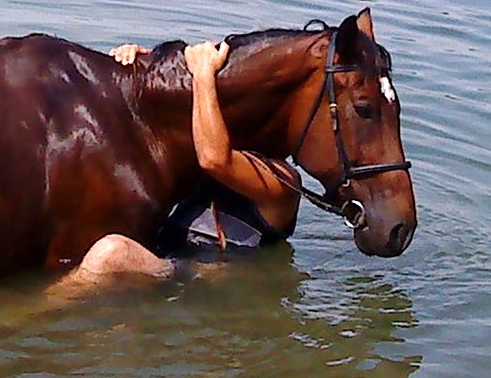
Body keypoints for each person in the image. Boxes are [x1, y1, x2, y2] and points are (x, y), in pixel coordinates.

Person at [49, 40, 302, 298]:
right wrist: (139, 68)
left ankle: (35, 314)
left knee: (112, 253)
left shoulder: (283, 182)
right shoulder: (197, 157)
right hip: (166, 260)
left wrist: (204, 75)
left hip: (200, 278)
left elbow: (215, 160)